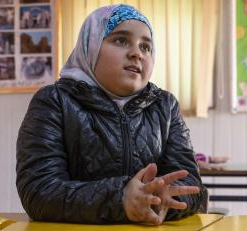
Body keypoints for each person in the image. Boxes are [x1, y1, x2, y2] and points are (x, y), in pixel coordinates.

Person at [16, 4, 205, 225]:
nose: (137, 53)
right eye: (121, 40)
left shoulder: (165, 106)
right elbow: (39, 192)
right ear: (91, 46)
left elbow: (193, 186)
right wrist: (121, 199)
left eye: (146, 47)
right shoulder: (54, 102)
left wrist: (162, 196)